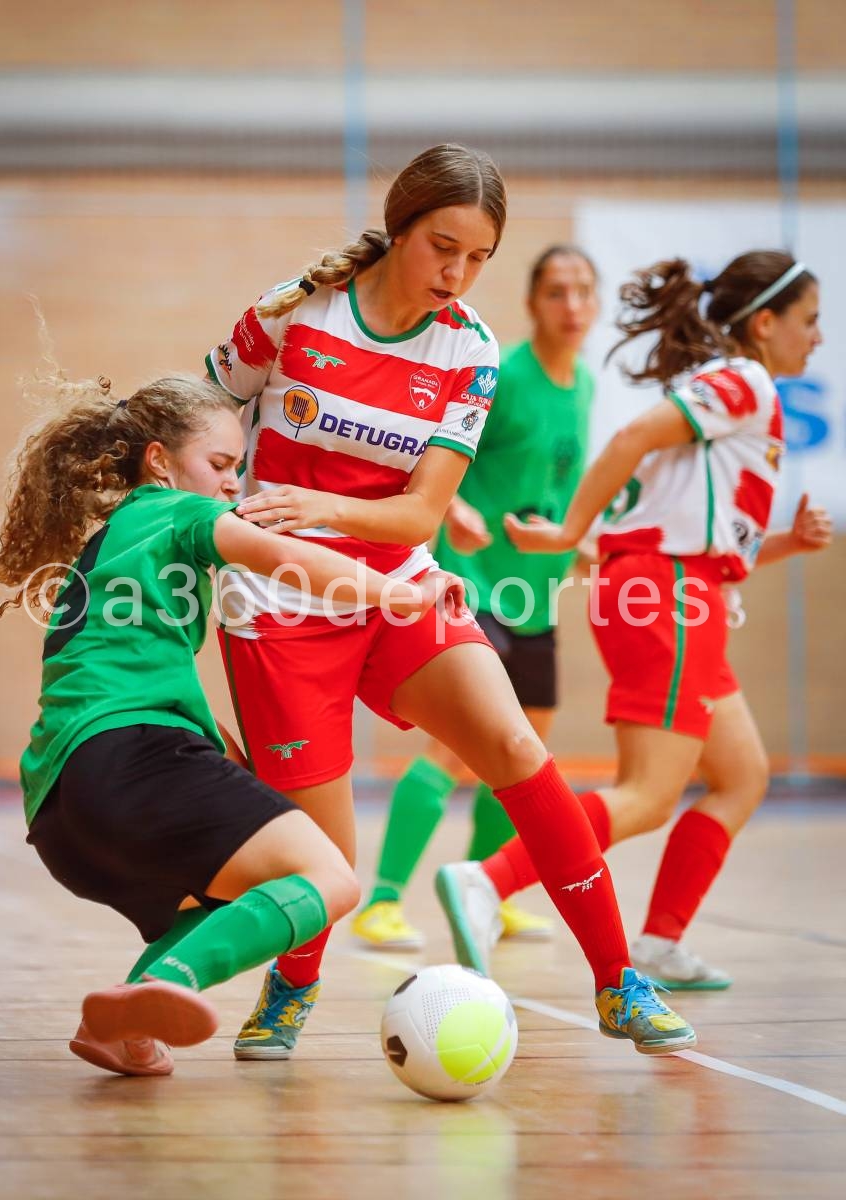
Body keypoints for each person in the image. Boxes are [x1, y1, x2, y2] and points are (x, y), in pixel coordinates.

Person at [206, 143, 697, 1058]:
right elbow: (198, 426)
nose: (458, 274)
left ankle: (618, 980)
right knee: (330, 862)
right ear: (400, 228)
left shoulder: (469, 348)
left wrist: (322, 505)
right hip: (277, 602)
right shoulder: (290, 314)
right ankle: (294, 982)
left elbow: (421, 512)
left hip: (399, 587)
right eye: (443, 247)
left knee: (518, 747)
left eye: (478, 258)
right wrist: (208, 523)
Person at [0, 371, 458, 1078]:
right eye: (221, 464)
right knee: (331, 877)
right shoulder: (175, 511)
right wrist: (398, 593)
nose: (233, 484)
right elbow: (285, 557)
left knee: (234, 885)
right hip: (133, 761)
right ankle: (164, 984)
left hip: (60, 812)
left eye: (240, 467)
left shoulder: (113, 544)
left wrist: (228, 761)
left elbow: (128, 684)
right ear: (160, 462)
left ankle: (120, 1028)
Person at [435, 250, 832, 988]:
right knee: (647, 795)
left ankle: (659, 942)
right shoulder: (742, 382)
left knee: (742, 774)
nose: (819, 337)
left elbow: (698, 531)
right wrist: (567, 532)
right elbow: (629, 441)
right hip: (668, 595)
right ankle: (488, 879)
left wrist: (787, 542)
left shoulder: (730, 392)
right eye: (810, 320)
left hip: (674, 588)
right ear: (765, 323)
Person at [352, 245, 600, 951]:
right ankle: (382, 901)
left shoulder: (583, 384)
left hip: (537, 593)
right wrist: (453, 507)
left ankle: (487, 887)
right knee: (455, 747)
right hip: (476, 585)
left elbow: (557, 488)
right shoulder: (508, 377)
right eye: (557, 292)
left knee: (527, 748)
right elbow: (430, 451)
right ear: (532, 303)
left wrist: (579, 546)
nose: (572, 306)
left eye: (584, 291)